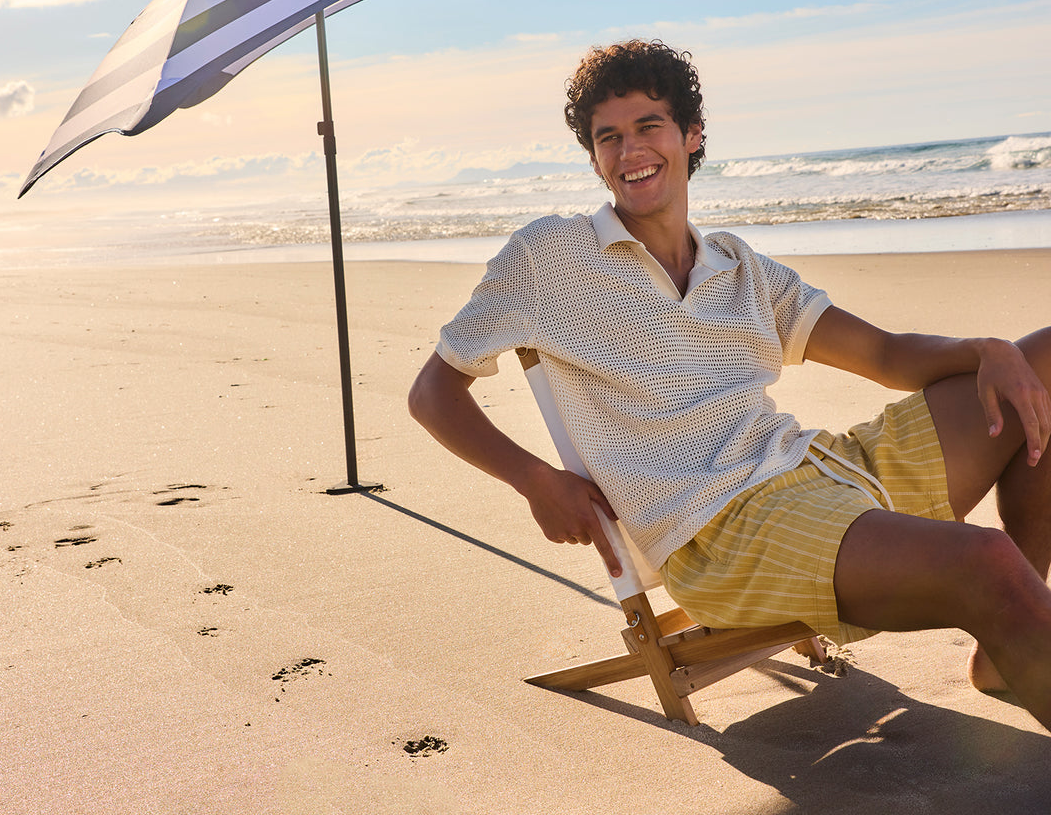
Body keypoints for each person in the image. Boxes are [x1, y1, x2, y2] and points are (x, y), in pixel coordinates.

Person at [408, 38, 1051, 728]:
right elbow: (433, 394)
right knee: (985, 557)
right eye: (608, 138)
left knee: (1043, 360)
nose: (629, 152)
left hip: (818, 468)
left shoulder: (738, 267)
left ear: (691, 136)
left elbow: (887, 355)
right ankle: (1017, 617)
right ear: (594, 156)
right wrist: (536, 479)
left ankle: (1005, 645)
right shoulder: (548, 257)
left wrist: (987, 350)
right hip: (722, 533)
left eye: (647, 127)